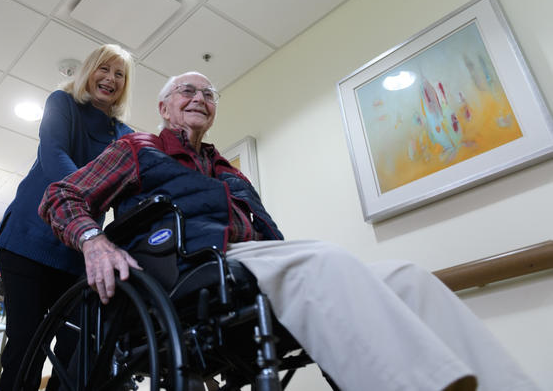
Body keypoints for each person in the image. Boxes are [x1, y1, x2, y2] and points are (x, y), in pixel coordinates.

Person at [38, 72, 540, 391]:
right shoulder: (137, 148)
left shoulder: (229, 170)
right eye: (187, 91)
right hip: (183, 267)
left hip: (249, 262)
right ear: (165, 108)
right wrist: (93, 240)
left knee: (407, 277)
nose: (199, 98)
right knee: (322, 261)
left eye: (209, 94)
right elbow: (61, 197)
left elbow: (270, 240)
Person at [0, 44, 135, 391]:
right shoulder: (62, 104)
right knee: (26, 346)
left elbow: (127, 195)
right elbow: (54, 154)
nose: (110, 79)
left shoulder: (125, 137)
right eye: (104, 69)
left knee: (77, 352)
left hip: (78, 255)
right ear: (89, 70)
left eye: (120, 74)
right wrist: (85, 207)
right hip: (29, 241)